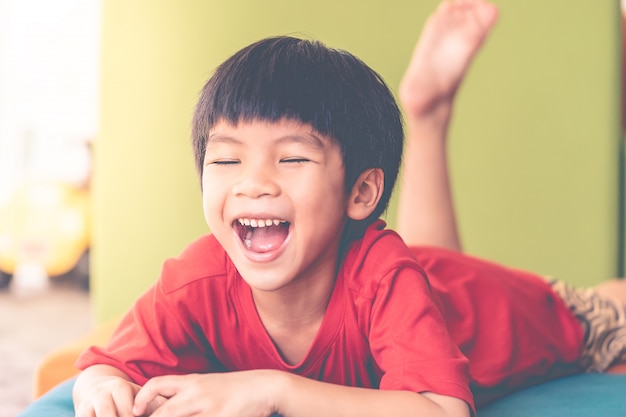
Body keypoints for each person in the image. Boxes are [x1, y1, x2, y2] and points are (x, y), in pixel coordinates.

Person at [72, 1, 626, 416]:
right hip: (425, 282)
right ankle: (427, 114)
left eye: (290, 158)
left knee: (605, 307)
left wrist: (272, 386)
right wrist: (102, 390)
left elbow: (442, 409)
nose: (253, 184)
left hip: (523, 311)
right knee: (427, 267)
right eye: (226, 161)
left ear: (362, 193)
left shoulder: (385, 275)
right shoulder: (195, 281)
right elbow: (103, 365)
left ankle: (427, 116)